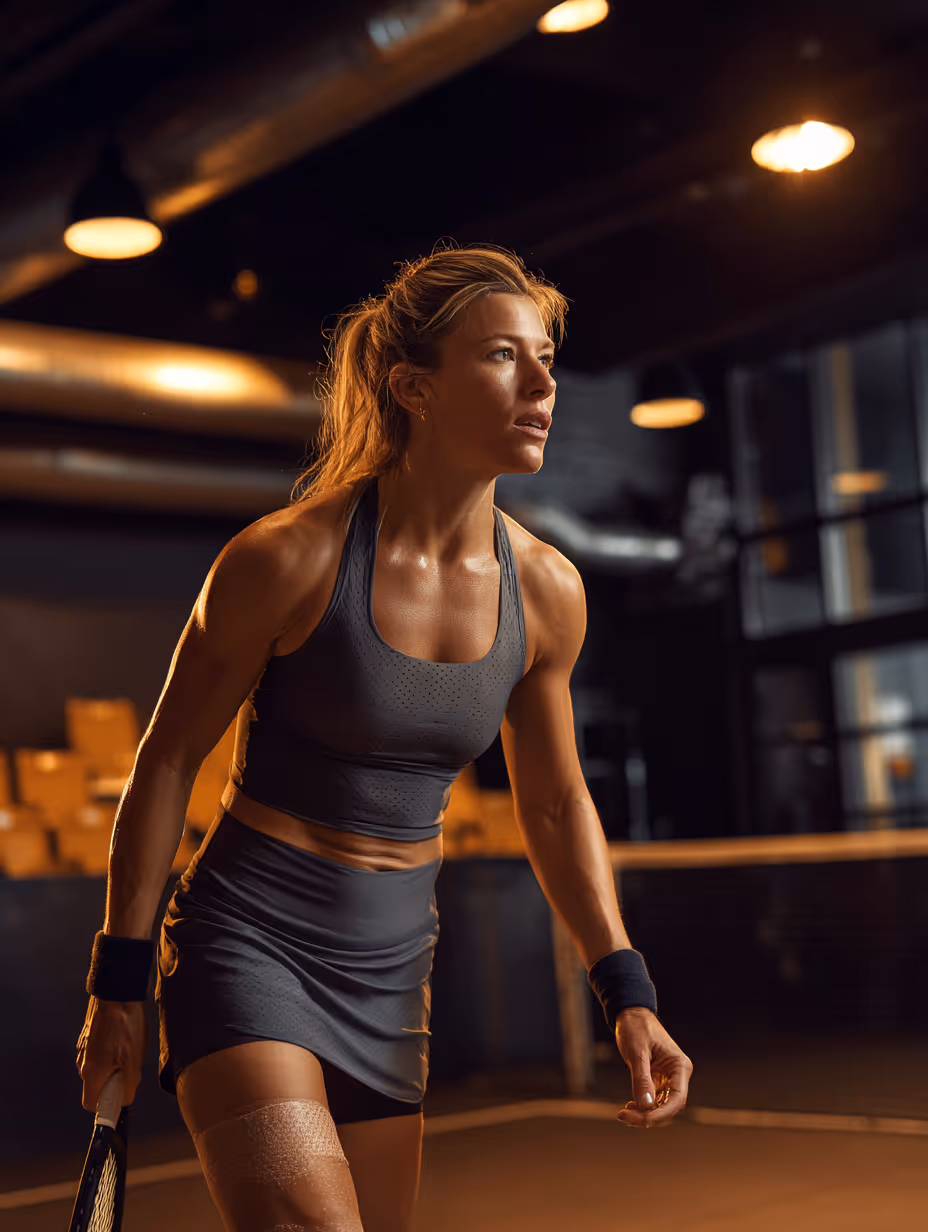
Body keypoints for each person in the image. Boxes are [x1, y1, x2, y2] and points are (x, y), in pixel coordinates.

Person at [76, 244, 693, 1232]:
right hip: (248, 945)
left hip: (394, 968)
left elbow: (553, 799)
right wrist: (119, 978)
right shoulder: (285, 559)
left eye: (545, 357)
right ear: (414, 385)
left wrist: (627, 987)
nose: (542, 383)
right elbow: (167, 757)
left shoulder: (547, 590)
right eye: (502, 356)